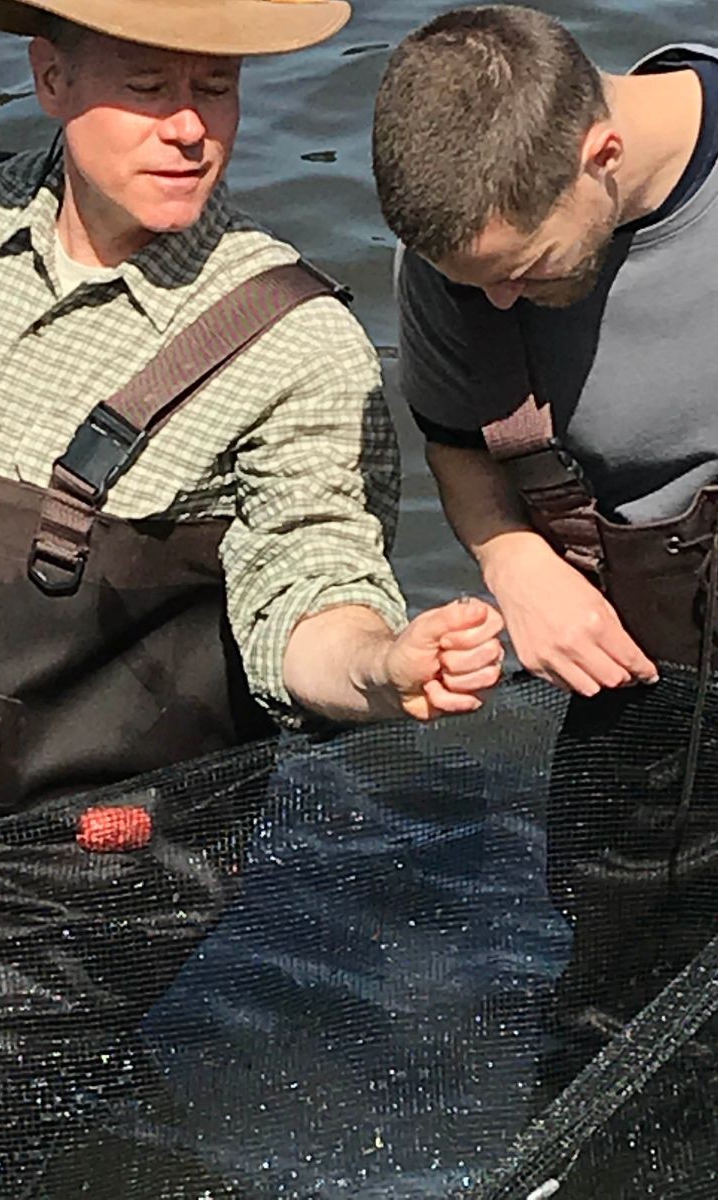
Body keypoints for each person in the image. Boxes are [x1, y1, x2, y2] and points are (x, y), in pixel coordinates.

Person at [0, 1, 506, 1191]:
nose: (190, 127)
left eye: (216, 88)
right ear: (50, 77)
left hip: (102, 865)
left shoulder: (290, 341)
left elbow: (309, 582)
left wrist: (382, 667)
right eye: (148, 87)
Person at [373, 3, 718, 1096]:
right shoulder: (460, 256)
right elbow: (456, 443)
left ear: (601, 155)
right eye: (472, 278)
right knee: (622, 1004)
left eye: (521, 268)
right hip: (648, 659)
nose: (498, 300)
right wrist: (514, 561)